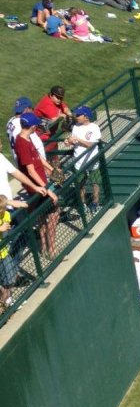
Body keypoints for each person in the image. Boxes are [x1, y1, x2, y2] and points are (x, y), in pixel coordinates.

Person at [14, 114, 60, 259]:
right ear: (32, 126)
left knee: (42, 215)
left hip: (40, 183)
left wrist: (51, 169)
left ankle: (45, 248)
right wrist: (47, 189)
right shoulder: (21, 143)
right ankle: (51, 250)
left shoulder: (27, 138)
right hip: (37, 186)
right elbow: (30, 170)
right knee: (53, 213)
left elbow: (38, 157)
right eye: (36, 125)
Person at [65, 106, 102, 209]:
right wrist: (68, 142)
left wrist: (77, 139)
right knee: (81, 184)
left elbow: (90, 145)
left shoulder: (94, 127)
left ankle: (95, 202)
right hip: (79, 161)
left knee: (95, 183)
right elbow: (73, 142)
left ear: (86, 117)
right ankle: (83, 204)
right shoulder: (75, 127)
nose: (75, 116)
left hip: (92, 161)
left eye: (78, 115)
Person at [0, 196, 16, 312]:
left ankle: (8, 301)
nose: (4, 210)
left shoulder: (6, 214)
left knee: (9, 278)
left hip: (4, 253)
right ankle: (4, 303)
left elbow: (7, 222)